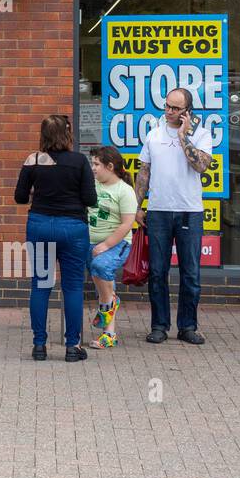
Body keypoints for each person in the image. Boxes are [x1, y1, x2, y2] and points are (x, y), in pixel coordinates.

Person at [14, 114, 96, 362]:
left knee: (40, 285)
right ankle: (73, 347)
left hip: (39, 224)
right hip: (73, 227)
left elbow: (19, 197)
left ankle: (39, 346)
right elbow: (91, 199)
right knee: (72, 287)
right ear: (67, 134)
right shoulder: (79, 161)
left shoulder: (33, 160)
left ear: (43, 135)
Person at [136, 87, 213, 345]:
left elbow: (201, 165)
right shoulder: (153, 135)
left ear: (187, 112)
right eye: (167, 106)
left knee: (190, 272)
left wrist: (183, 136)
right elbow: (144, 172)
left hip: (189, 211)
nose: (169, 112)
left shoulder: (201, 135)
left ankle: (188, 326)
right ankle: (159, 325)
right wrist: (137, 205)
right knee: (158, 271)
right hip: (159, 210)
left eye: (175, 108)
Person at [86, 145, 138, 349]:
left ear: (110, 166)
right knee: (104, 284)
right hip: (90, 241)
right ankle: (109, 334)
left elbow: (127, 223)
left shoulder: (124, 191)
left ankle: (109, 304)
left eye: (97, 164)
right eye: (92, 164)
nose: (93, 168)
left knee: (100, 267)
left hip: (117, 243)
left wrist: (106, 244)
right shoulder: (93, 185)